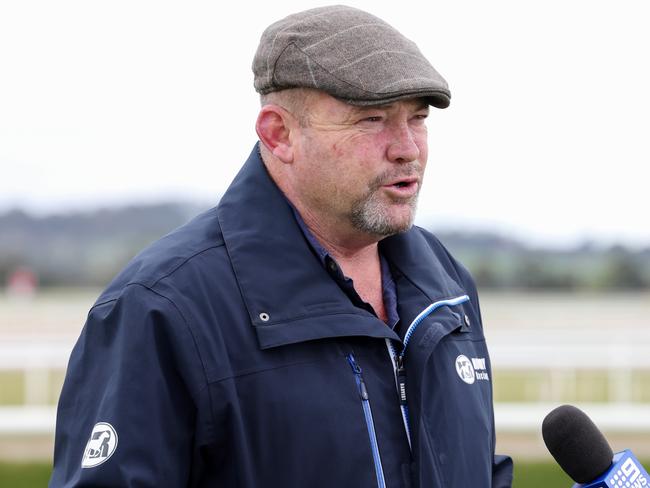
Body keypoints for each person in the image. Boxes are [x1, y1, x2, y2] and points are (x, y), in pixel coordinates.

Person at [49, 5, 513, 487]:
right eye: (372, 119)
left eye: (416, 119)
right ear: (279, 134)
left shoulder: (446, 287)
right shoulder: (162, 308)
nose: (407, 148)